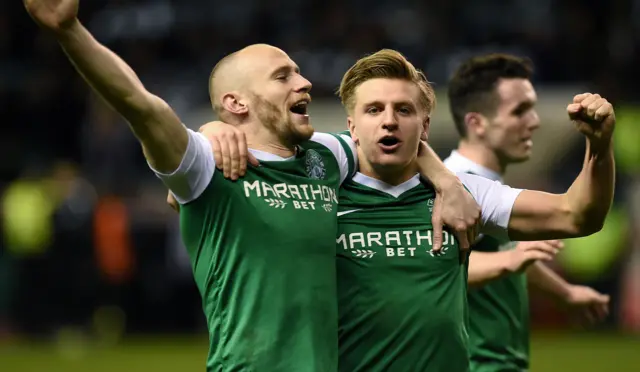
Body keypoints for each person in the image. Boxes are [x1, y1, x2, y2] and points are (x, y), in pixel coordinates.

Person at [24, 1, 480, 370]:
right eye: (283, 76)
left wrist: (446, 180)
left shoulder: (326, 156)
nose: (303, 82)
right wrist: (70, 31)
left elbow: (393, 141)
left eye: (298, 72)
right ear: (235, 101)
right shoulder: (203, 164)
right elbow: (138, 104)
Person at [200, 49, 615, 371]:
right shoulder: (317, 188)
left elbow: (576, 216)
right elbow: (209, 179)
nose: (389, 121)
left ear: (426, 126)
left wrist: (598, 147)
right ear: (351, 126)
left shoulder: (464, 194)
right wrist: (214, 132)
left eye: (404, 110)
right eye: (374, 109)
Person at [444, 53, 611, 372]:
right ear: (477, 123)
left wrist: (564, 292)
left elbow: (506, 254)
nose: (534, 121)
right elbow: (434, 265)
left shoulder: (486, 188)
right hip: (477, 364)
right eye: (519, 111)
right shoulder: (455, 189)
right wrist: (599, 146)